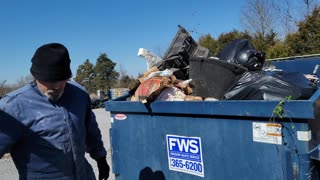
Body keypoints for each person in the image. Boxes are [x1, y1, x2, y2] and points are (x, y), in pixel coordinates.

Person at [0, 43, 110, 180]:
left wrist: (101, 158)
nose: (57, 86)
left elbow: (91, 131)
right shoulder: (14, 107)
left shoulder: (79, 96)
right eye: (50, 80)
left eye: (62, 79)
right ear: (36, 77)